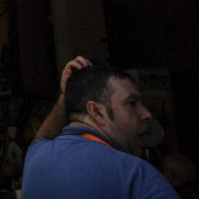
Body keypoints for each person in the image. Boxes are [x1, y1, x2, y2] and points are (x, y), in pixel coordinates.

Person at [21, 56, 177, 198]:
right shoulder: (138, 176)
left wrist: (65, 95)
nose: (146, 114)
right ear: (96, 111)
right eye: (132, 103)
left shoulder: (36, 158)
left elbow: (40, 139)